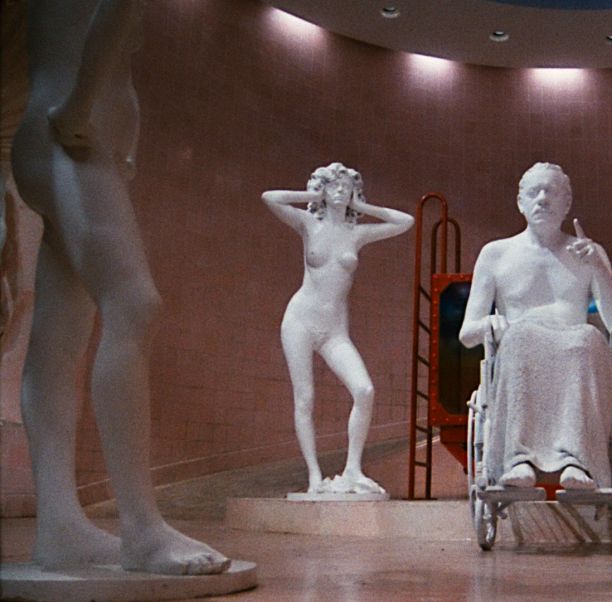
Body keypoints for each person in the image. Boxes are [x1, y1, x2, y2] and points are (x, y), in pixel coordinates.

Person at [10, 0, 229, 574]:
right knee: (134, 305)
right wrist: (80, 106)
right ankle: (142, 529)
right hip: (72, 134)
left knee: (60, 333)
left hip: (57, 132)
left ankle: (59, 526)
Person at [459, 162, 612, 490]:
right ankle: (518, 460)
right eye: (533, 192)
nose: (542, 198)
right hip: (521, 348)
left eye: (551, 191)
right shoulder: (496, 254)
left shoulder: (588, 253)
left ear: (567, 203)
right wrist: (489, 323)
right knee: (521, 334)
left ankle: (576, 462)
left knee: (587, 338)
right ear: (520, 202)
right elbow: (467, 334)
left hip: (575, 350)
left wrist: (597, 268)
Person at [263, 163, 413, 495]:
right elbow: (270, 198)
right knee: (305, 398)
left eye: (347, 187)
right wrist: (312, 195)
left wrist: (361, 207)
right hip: (300, 321)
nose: (341, 191)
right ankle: (314, 476)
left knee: (364, 390)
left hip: (334, 331)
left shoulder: (356, 233)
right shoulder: (308, 223)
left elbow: (405, 222)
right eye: (335, 185)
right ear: (324, 189)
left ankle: (352, 469)